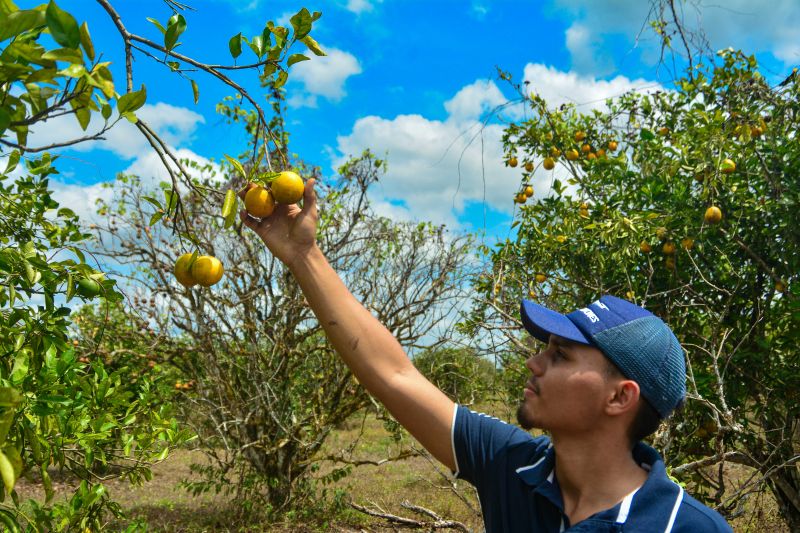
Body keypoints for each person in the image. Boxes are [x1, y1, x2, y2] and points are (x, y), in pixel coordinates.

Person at [239, 180, 733, 532]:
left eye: (560, 356)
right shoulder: (516, 467)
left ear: (620, 397)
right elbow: (393, 375)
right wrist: (305, 255)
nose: (534, 364)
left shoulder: (685, 527)